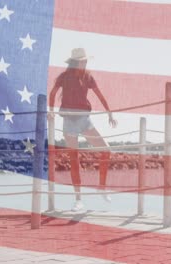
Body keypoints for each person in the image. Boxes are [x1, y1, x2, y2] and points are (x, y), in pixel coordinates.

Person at [49, 48, 117, 211]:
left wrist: (109, 113)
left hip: (84, 120)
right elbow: (52, 93)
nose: (85, 63)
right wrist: (51, 110)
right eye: (82, 61)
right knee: (74, 159)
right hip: (69, 120)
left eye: (86, 60)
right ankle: (78, 200)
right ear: (75, 62)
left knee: (106, 150)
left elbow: (99, 94)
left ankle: (101, 186)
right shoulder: (64, 77)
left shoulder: (88, 77)